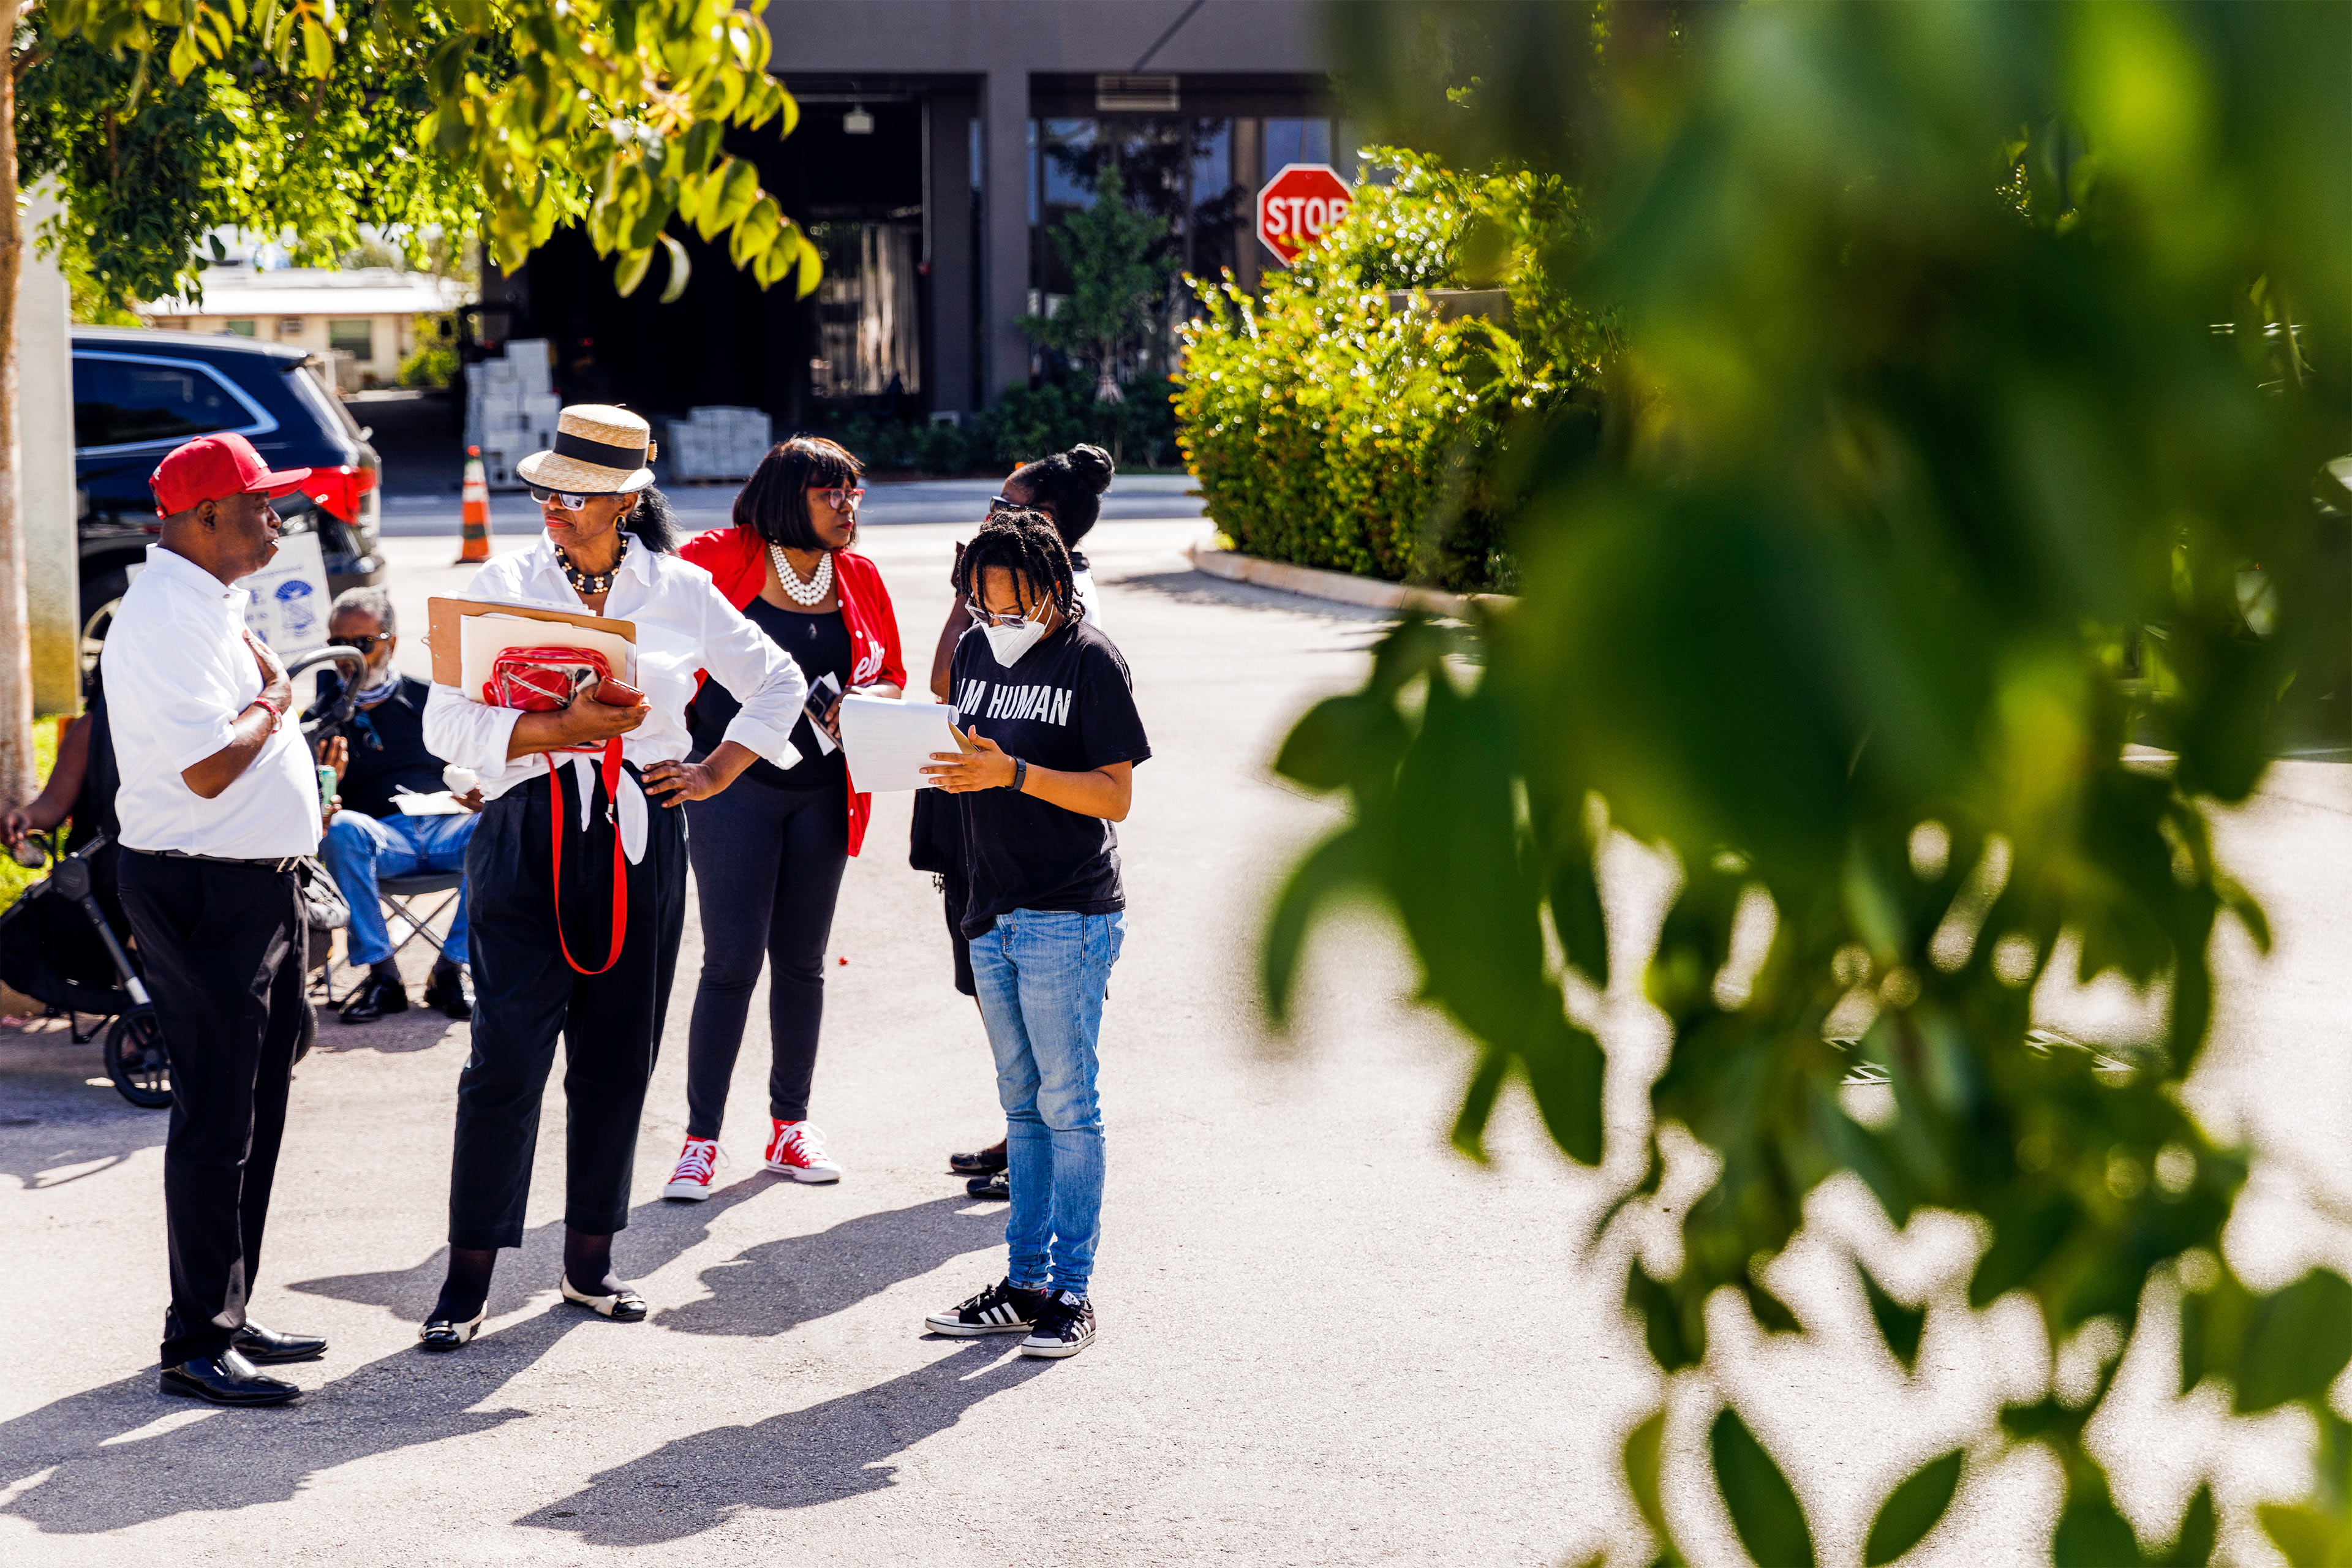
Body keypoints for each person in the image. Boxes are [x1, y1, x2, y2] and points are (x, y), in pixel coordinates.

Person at [415, 405, 808, 1349]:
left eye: (578, 494)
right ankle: (468, 1280)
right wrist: (552, 732)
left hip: (641, 832)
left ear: (627, 502)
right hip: (524, 829)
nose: (554, 504)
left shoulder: (681, 588)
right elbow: (442, 725)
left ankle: (589, 1263)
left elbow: (782, 681)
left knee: (618, 1055)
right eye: (549, 487)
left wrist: (716, 771)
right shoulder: (498, 583)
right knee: (503, 1059)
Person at [100, 431, 331, 1406]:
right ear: (205, 516)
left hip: (252, 882)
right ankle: (193, 1342)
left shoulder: (209, 600)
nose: (277, 518)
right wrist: (278, 707)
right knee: (217, 1117)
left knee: (259, 1098)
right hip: (203, 891)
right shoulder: (166, 618)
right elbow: (204, 767)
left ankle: (225, 1309)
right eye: (260, 504)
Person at [919, 507, 1149, 1360]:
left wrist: (1012, 773)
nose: (999, 623)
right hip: (989, 903)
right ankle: (1022, 1283)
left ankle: (1071, 1292)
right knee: (1021, 1108)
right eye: (983, 605)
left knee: (1067, 1105)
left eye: (1015, 605)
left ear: (1056, 587)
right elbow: (957, 752)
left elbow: (1115, 795)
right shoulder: (977, 652)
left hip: (1068, 911)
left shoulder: (1092, 661)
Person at [659, 436, 906, 1200]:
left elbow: (891, 674)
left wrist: (869, 704)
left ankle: (789, 1127)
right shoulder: (719, 556)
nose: (847, 508)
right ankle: (701, 1141)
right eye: (831, 494)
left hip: (825, 791)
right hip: (729, 786)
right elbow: (656, 632)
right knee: (731, 959)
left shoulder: (859, 576)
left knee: (803, 960)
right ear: (785, 495)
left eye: (854, 494)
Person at [922, 445, 1115, 1199]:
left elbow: (1109, 787)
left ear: (1043, 525)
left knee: (1058, 1068)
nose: (989, 517)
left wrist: (966, 589)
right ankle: (1020, 1148)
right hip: (992, 856)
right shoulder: (996, 618)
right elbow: (950, 683)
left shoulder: (1069, 628)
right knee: (1016, 1052)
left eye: (1006, 509)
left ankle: (1049, 1220)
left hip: (1052, 874)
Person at [310, 586, 478, 1023]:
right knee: (343, 827)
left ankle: (451, 968)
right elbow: (317, 811)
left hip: (445, 826)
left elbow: (479, 761)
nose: (350, 657)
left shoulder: (430, 699)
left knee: (501, 825)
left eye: (363, 643)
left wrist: (476, 788)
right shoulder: (323, 717)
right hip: (380, 837)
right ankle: (383, 975)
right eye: (338, 645)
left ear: (392, 642)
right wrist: (328, 785)